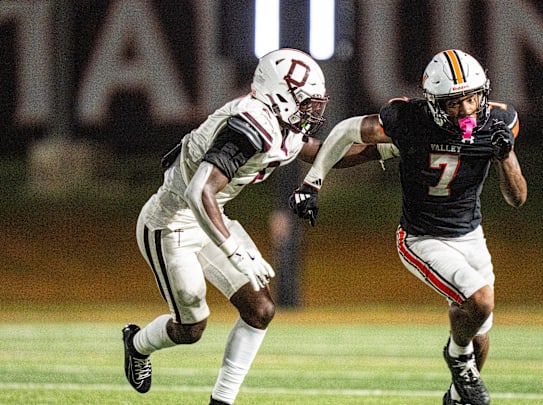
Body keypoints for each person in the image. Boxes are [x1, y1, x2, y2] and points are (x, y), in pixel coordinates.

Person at [122, 48, 379, 405]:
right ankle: (136, 344)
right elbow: (199, 192)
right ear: (280, 95)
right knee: (191, 328)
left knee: (261, 310)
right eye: (307, 102)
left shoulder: (281, 126)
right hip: (170, 226)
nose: (314, 112)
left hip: (209, 220)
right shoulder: (249, 125)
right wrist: (236, 251)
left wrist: (381, 151)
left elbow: (322, 152)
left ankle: (222, 401)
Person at [289, 49, 527, 405]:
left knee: (480, 330)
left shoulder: (497, 123)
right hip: (422, 237)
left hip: (471, 235)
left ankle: (455, 394)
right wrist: (311, 179)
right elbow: (346, 134)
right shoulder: (410, 121)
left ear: (484, 92)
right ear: (432, 103)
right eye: (453, 103)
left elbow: (517, 198)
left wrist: (505, 155)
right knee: (480, 300)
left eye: (471, 98)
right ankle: (456, 355)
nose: (465, 110)